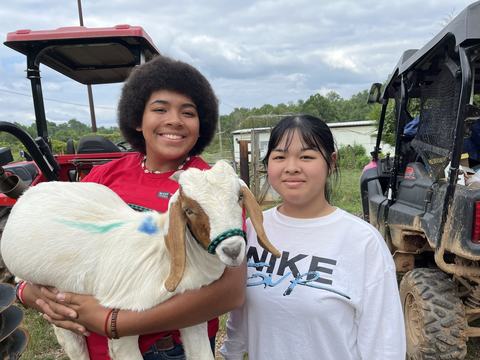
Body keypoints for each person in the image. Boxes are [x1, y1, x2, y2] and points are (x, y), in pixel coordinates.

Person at [17, 55, 245, 359]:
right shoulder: (105, 175)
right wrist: (30, 293)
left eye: (188, 112)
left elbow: (228, 291)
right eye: (160, 109)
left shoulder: (212, 187)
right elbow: (57, 236)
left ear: (201, 123)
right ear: (137, 119)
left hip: (166, 350)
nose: (174, 120)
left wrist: (115, 322)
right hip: (96, 347)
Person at [220, 115, 406, 360]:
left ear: (331, 162)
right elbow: (239, 312)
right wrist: (231, 352)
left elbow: (384, 342)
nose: (292, 167)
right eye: (279, 156)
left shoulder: (362, 242)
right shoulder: (251, 229)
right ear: (268, 164)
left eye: (307, 156)